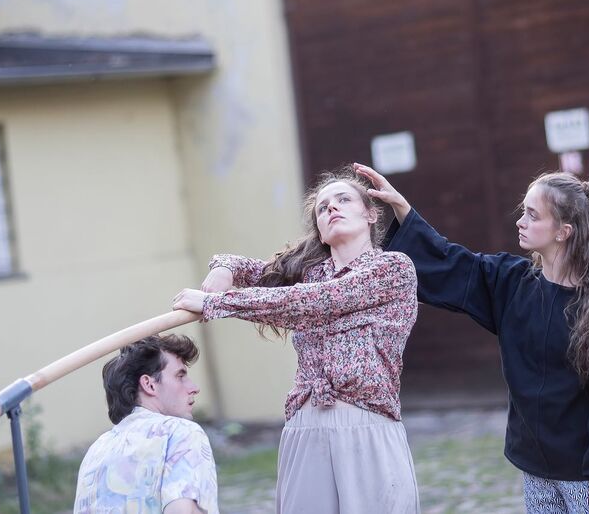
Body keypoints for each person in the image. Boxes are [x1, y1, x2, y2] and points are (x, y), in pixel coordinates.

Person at [353, 163, 589, 514]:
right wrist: (403, 210)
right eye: (523, 212)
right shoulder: (513, 283)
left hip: (587, 475)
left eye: (533, 215)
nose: (521, 221)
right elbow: (453, 263)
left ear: (563, 231)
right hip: (537, 468)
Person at [171, 167, 421, 514]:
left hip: (366, 424)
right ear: (319, 229)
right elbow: (257, 271)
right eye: (322, 207)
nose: (332, 208)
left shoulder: (394, 269)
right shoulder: (307, 274)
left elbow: (319, 301)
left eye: (343, 199)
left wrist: (218, 304)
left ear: (370, 213)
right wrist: (224, 266)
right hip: (306, 425)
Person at [74, 334, 218, 514]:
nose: (194, 387)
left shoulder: (96, 451)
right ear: (149, 385)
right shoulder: (181, 433)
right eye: (180, 376)